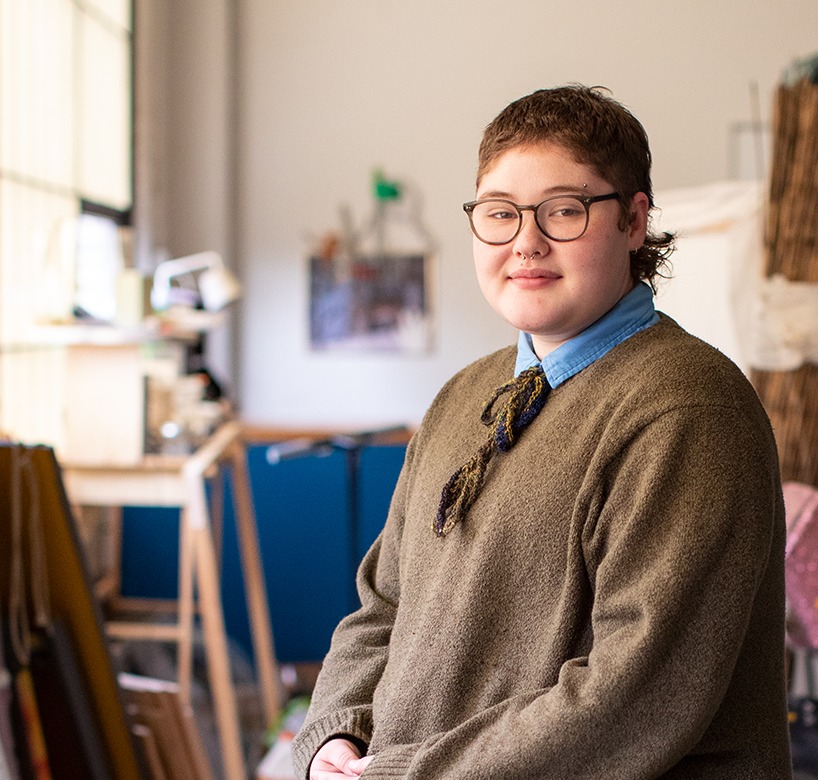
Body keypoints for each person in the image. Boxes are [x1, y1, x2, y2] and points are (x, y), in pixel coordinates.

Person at [292, 84, 791, 780]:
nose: (526, 242)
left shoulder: (688, 408)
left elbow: (632, 696)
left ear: (634, 221)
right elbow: (384, 605)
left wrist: (402, 774)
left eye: (564, 210)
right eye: (500, 213)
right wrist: (334, 739)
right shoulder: (465, 395)